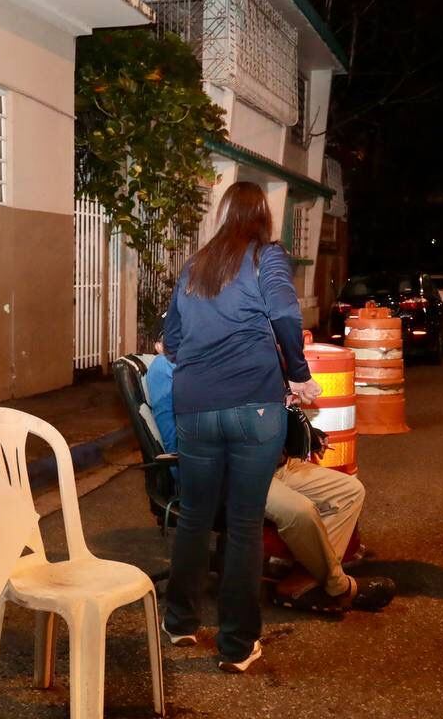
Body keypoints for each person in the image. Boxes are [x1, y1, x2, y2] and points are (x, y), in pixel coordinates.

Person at [160, 181, 320, 673]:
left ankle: (179, 622)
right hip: (253, 407)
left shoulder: (198, 264)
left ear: (224, 214)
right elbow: (286, 315)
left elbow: (169, 340)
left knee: (194, 516)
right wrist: (299, 374)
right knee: (244, 524)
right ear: (263, 217)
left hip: (194, 406)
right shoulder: (267, 257)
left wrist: (201, 368)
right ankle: (236, 645)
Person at [146, 343, 394, 615]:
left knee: (349, 491)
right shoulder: (167, 369)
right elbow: (182, 438)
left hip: (273, 462)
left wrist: (301, 426)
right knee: (300, 511)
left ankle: (305, 579)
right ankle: (338, 586)